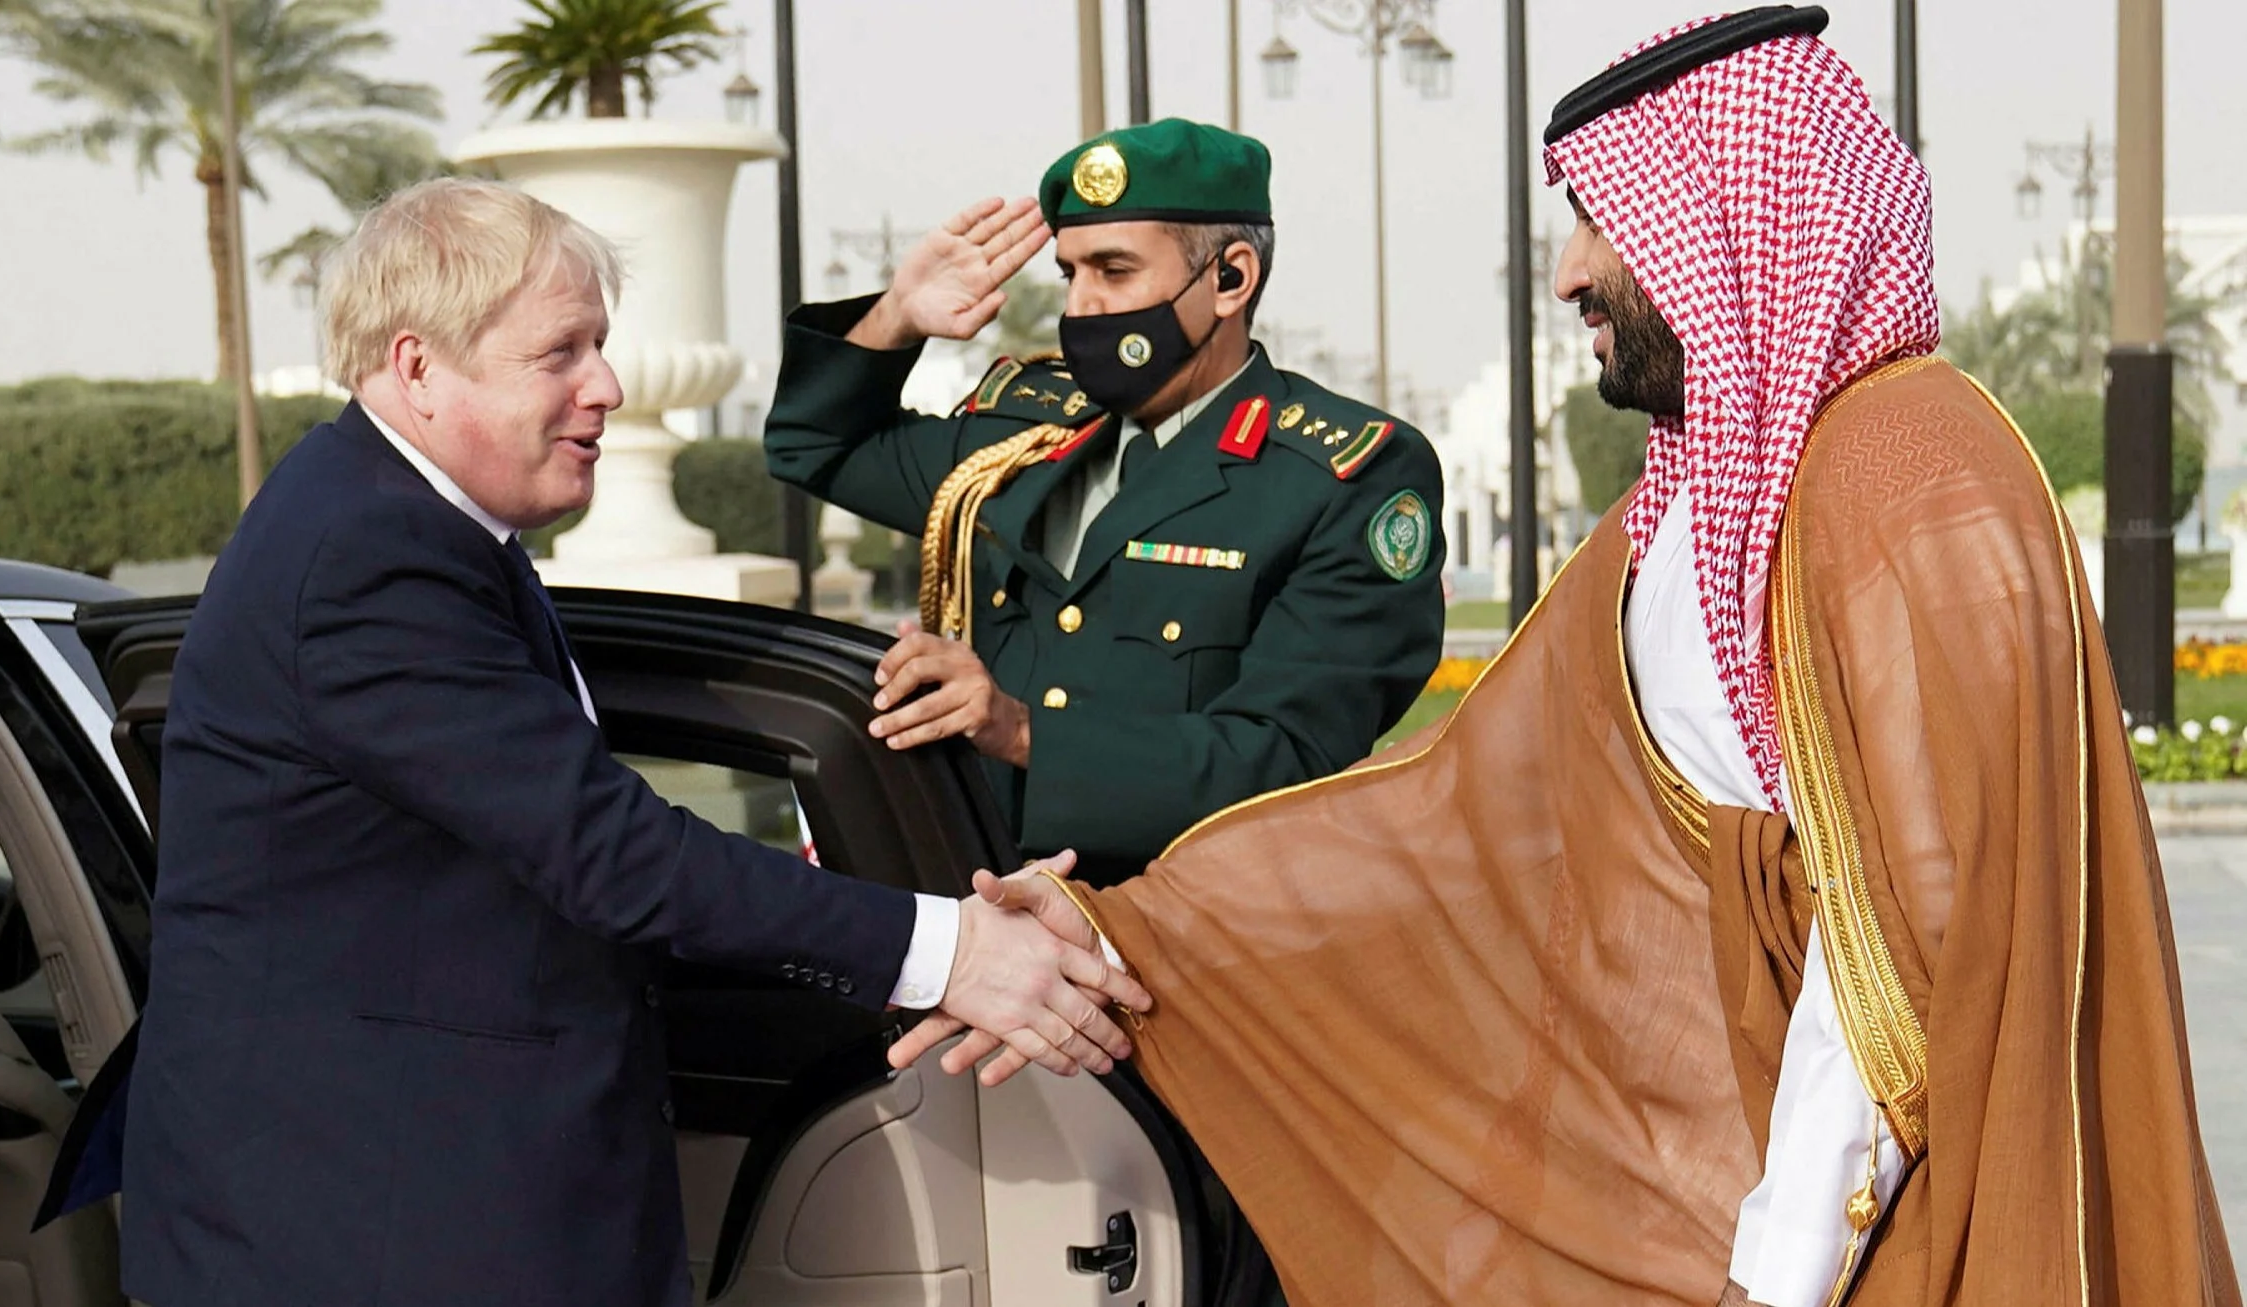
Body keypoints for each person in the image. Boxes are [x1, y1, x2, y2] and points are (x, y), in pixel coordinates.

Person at [899, 8, 2241, 1306]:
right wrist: (1124, 926)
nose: (1568, 273)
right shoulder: (1683, 513)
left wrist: (1776, 1268)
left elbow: (1897, 932)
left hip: (1893, 1215)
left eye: (1604, 221)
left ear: (1721, 225)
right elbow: (1454, 813)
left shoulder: (1903, 476)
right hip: (1728, 1178)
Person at [115, 177, 1149, 1307]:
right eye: (558, 351)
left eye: (599, 345)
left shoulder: (412, 523)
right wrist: (949, 951)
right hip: (367, 1228)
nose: (603, 386)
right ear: (416, 368)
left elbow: (530, 845)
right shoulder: (368, 557)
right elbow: (607, 853)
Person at [765, 118, 1446, 888]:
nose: (1082, 306)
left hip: (1182, 940)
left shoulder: (1343, 476)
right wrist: (895, 316)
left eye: (1114, 271)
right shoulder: (1022, 439)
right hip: (975, 917)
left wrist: (1021, 731)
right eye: (1070, 273)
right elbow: (812, 446)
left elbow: (1284, 760)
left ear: (1231, 279)